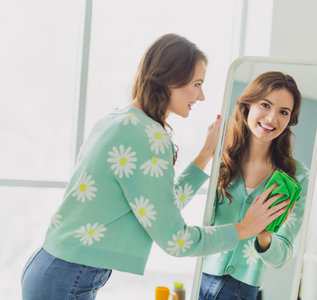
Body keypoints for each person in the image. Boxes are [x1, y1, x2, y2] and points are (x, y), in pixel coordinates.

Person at [20, 34, 289, 300]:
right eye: (197, 83)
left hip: (53, 270)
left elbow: (154, 209)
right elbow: (176, 239)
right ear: (171, 78)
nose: (202, 95)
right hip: (66, 280)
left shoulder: (121, 120)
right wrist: (244, 228)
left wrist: (205, 155)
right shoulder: (149, 137)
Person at [199, 71, 310, 300]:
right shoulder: (219, 156)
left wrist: (265, 236)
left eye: (283, 112)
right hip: (198, 277)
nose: (272, 119)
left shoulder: (297, 176)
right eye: (265, 105)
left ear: (291, 120)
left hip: (243, 290)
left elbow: (283, 255)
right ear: (248, 105)